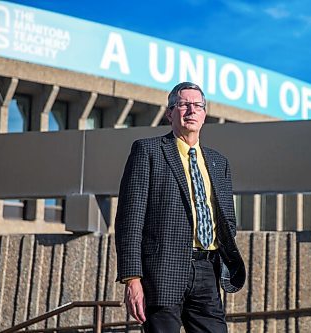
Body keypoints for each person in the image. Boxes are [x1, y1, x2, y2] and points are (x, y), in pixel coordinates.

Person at [114, 81, 245, 333]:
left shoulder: (219, 162)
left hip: (207, 270)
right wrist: (132, 279)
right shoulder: (147, 151)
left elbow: (227, 220)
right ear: (170, 112)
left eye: (197, 106)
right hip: (161, 272)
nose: (191, 111)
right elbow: (130, 220)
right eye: (183, 105)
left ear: (205, 114)